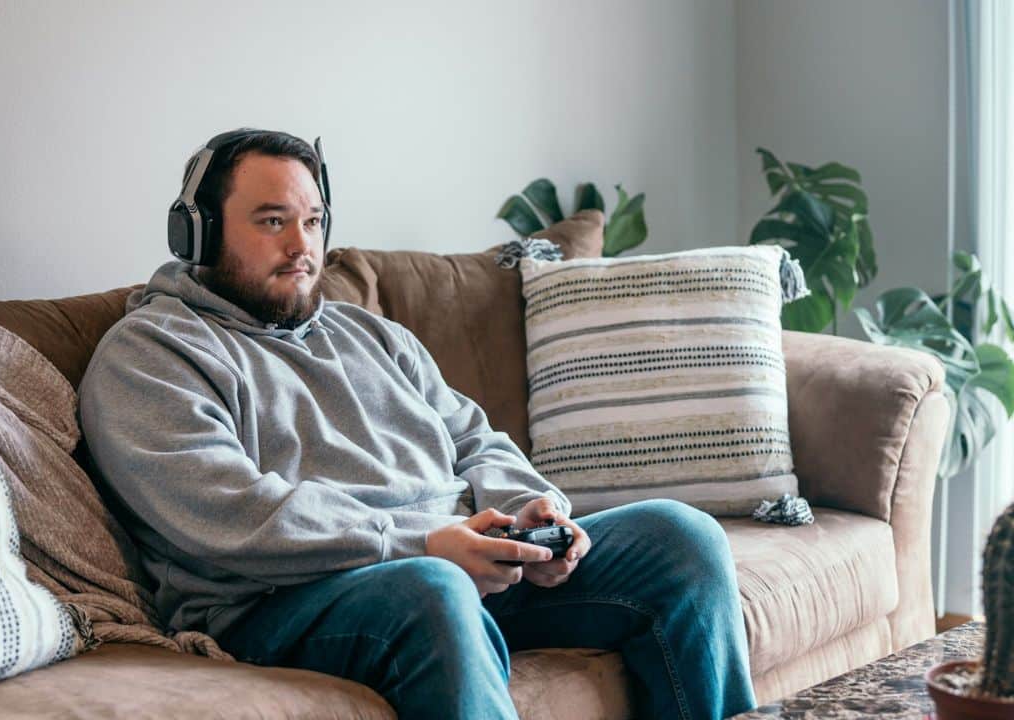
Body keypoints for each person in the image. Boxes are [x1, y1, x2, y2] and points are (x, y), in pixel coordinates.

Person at [78, 128, 756, 720]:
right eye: (272, 221)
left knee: (680, 537)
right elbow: (235, 514)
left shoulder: (370, 334)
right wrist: (426, 544)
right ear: (198, 234)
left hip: (458, 564)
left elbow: (474, 438)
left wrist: (528, 513)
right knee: (435, 588)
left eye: (312, 221)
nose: (302, 245)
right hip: (286, 601)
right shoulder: (151, 354)